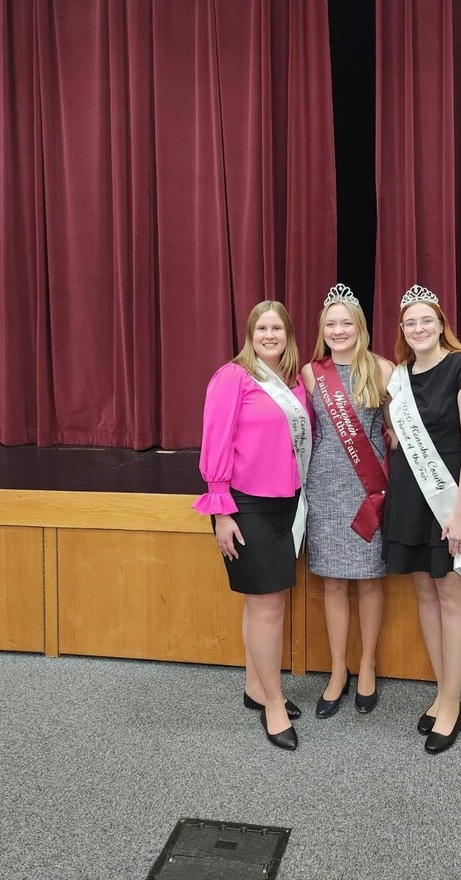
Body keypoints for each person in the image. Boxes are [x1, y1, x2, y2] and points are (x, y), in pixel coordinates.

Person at [382, 284, 461, 754]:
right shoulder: (401, 377)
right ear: (403, 331)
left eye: (426, 320)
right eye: (410, 323)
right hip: (411, 496)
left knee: (452, 595)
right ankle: (441, 692)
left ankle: (451, 704)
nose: (418, 328)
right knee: (425, 594)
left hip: (450, 493)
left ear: (441, 323)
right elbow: (397, 436)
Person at [192, 300, 312, 751]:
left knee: (261, 605)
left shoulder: (294, 381)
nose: (269, 335)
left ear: (288, 334)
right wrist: (221, 511)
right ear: (249, 333)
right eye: (262, 328)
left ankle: (255, 688)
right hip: (245, 507)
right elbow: (215, 441)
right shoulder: (233, 377)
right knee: (268, 607)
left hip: (285, 505)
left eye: (277, 328)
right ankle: (275, 704)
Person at [301, 284, 393, 718]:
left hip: (367, 491)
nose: (339, 330)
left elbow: (401, 428)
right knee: (333, 581)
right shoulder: (309, 373)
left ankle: (368, 664)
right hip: (325, 487)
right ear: (323, 329)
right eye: (331, 324)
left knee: (370, 580)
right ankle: (338, 670)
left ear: (360, 327)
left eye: (346, 323)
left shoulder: (382, 371)